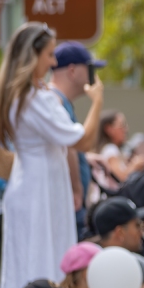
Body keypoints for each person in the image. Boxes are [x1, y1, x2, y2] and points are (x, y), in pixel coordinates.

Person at [0, 23, 104, 288]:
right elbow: (82, 142)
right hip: (39, 189)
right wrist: (97, 102)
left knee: (30, 260)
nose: (53, 63)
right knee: (43, 261)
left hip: (34, 184)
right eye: (49, 55)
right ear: (33, 56)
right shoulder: (34, 99)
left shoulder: (22, 96)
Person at [51, 42, 105, 237]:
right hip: (68, 202)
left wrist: (86, 159)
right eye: (90, 69)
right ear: (72, 70)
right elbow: (75, 146)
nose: (95, 76)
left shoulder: (57, 100)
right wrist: (76, 189)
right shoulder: (55, 100)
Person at [90, 109, 133, 193]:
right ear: (109, 129)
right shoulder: (110, 149)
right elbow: (121, 178)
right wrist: (135, 166)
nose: (125, 129)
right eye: (122, 125)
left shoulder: (109, 149)